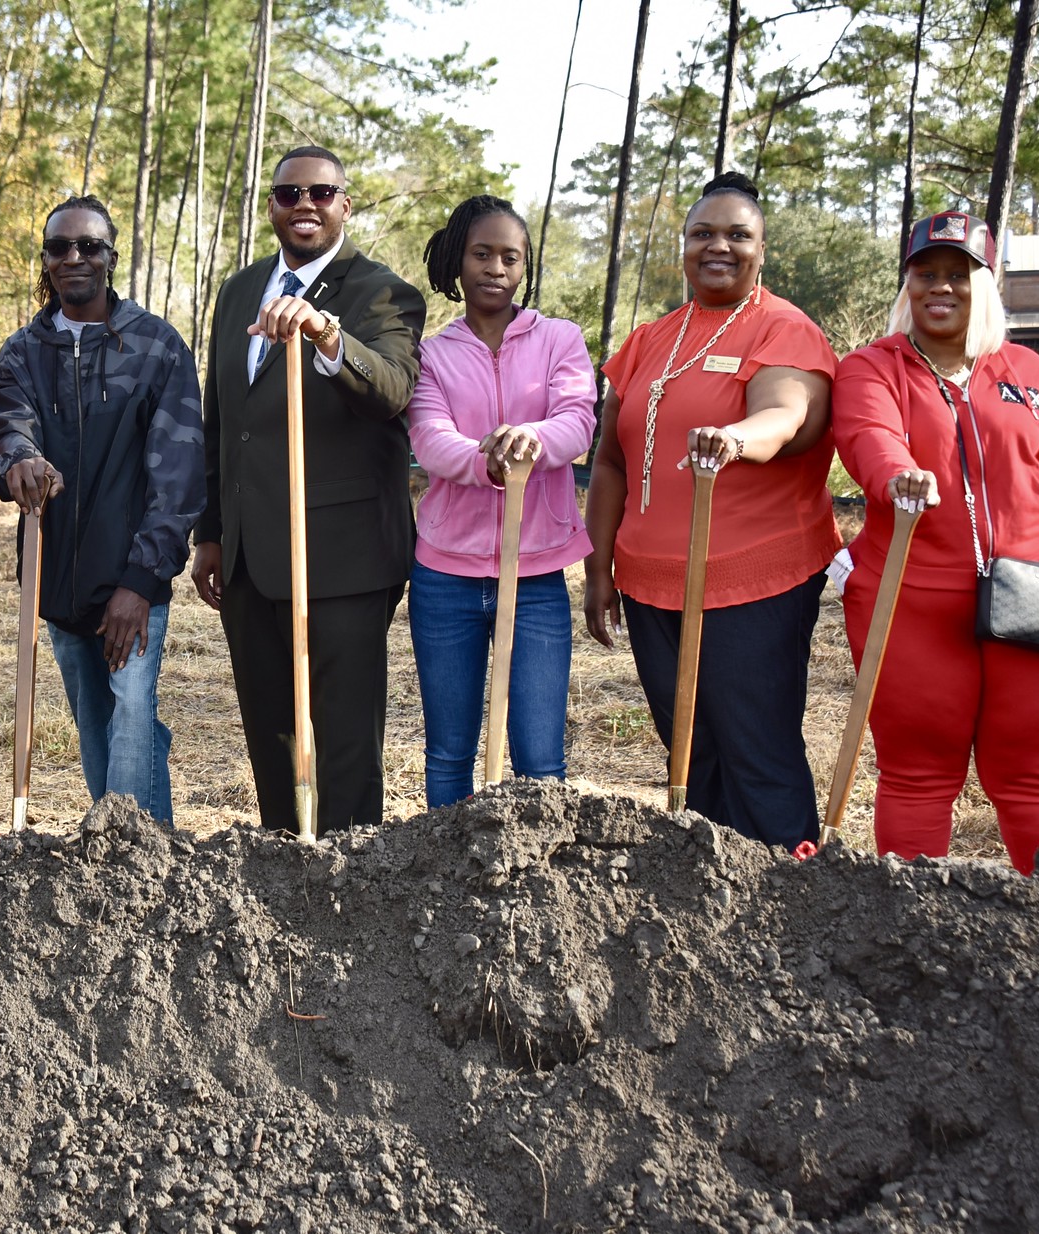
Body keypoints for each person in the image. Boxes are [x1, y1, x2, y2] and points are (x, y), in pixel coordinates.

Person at [832, 211, 1039, 874]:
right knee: (916, 772)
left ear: (985, 285)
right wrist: (896, 476)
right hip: (910, 600)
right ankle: (912, 934)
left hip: (1038, 600)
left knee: (1037, 773)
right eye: (925, 274)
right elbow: (867, 437)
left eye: (957, 275)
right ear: (906, 285)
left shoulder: (1024, 371)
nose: (939, 288)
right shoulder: (869, 368)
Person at [582, 171, 840, 848]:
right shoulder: (648, 341)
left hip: (751, 579)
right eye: (702, 233)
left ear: (762, 247)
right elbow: (609, 461)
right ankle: (710, 891)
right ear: (683, 245)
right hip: (649, 582)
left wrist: (734, 440)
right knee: (688, 754)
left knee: (756, 749)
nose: (716, 246)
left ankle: (790, 893)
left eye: (736, 234)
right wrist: (598, 568)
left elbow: (783, 416)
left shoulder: (782, 329)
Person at [189, 145, 426, 834]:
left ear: (344, 205)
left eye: (320, 193)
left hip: (341, 555)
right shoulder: (240, 290)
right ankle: (282, 870)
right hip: (246, 555)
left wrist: (327, 335)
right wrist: (209, 532)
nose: (304, 206)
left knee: (343, 737)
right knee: (271, 732)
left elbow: (391, 390)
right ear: (270, 206)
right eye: (287, 194)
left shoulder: (382, 292)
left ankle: (349, 882)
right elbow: (222, 419)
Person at [0, 195, 204, 822]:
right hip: (54, 578)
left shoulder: (156, 347)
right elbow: (6, 425)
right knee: (96, 722)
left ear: (111, 257)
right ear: (45, 261)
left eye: (89, 246)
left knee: (133, 713)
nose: (73, 257)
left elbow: (179, 477)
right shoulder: (23, 352)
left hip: (132, 577)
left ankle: (135, 862)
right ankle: (127, 855)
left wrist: (141, 580)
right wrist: (20, 459)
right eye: (59, 247)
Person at [406, 195, 597, 808]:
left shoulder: (561, 340)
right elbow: (431, 440)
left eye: (509, 257)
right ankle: (447, 882)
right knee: (449, 751)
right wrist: (486, 460)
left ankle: (535, 888)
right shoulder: (432, 353)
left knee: (540, 758)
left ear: (525, 267)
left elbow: (577, 423)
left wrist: (530, 440)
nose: (495, 268)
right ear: (458, 263)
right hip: (444, 577)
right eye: (481, 254)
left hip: (537, 573)